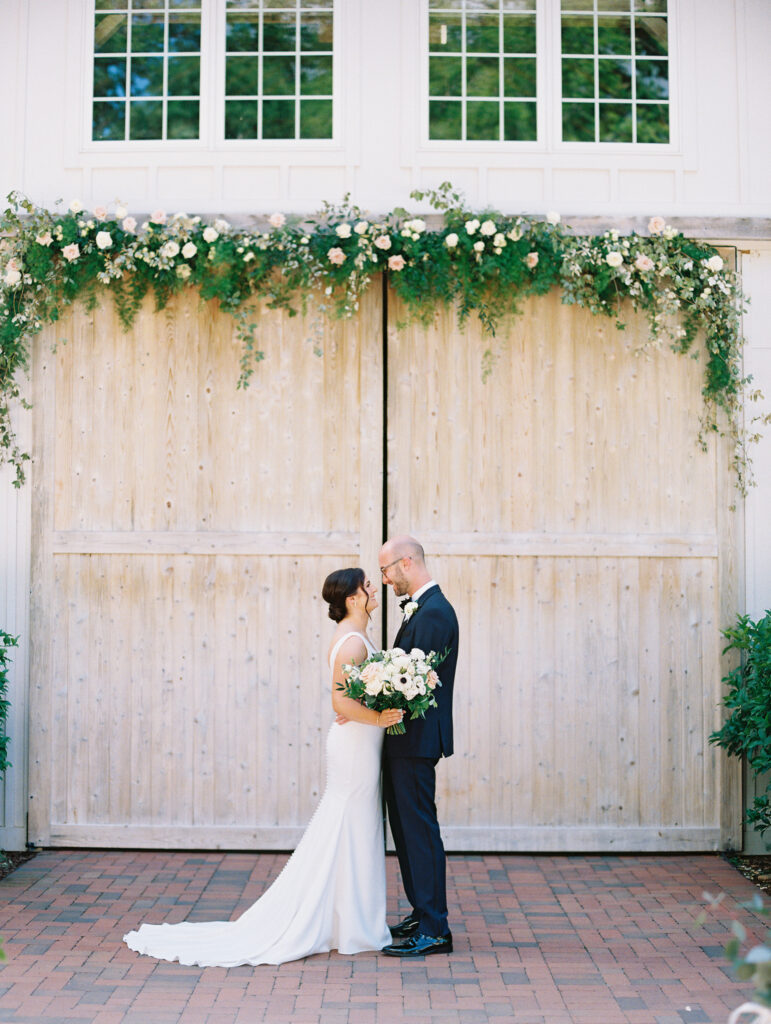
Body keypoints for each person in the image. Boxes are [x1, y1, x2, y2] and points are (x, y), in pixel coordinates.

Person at [122, 567, 403, 967]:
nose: (373, 589)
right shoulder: (352, 642)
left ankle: (350, 921)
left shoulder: (355, 635)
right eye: (367, 586)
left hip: (360, 744)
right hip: (355, 746)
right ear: (354, 598)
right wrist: (380, 718)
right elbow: (340, 702)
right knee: (350, 823)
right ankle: (350, 923)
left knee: (356, 827)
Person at [378, 535, 459, 958]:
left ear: (406, 564)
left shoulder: (434, 613)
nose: (386, 580)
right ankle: (421, 911)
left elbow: (410, 684)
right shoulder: (425, 609)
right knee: (407, 833)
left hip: (415, 739)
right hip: (404, 740)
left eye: (387, 571)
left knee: (420, 832)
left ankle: (434, 928)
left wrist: (369, 702)